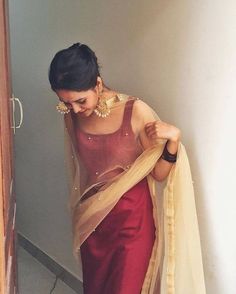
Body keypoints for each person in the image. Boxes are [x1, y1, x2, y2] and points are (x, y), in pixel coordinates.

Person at [48, 43, 206, 294]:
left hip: (132, 224)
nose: (75, 110)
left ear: (98, 84)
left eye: (80, 101)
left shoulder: (135, 112)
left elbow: (159, 174)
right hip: (94, 222)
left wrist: (173, 141)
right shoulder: (71, 116)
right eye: (65, 103)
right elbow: (84, 170)